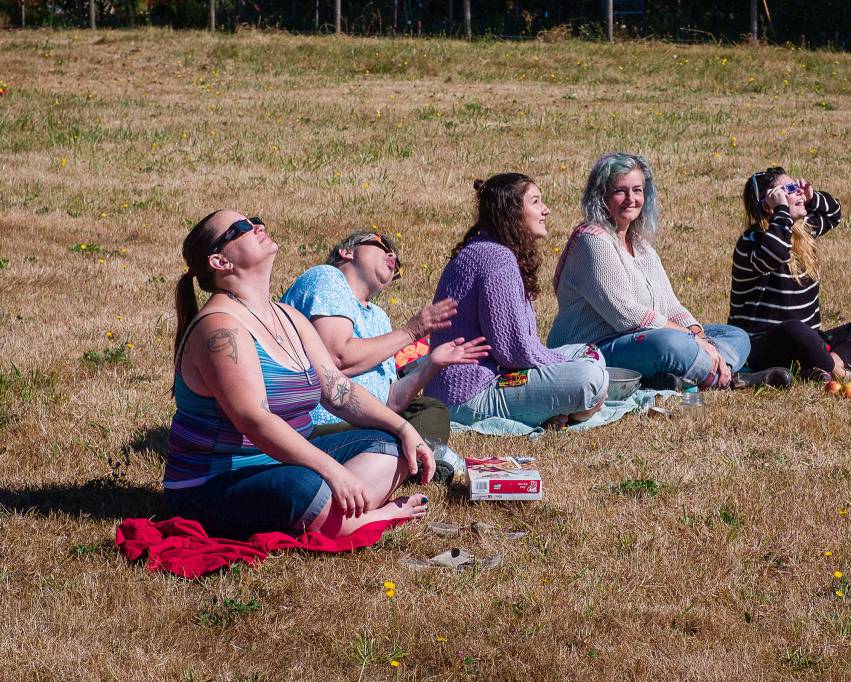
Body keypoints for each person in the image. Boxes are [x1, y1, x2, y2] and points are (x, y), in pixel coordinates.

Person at [166, 210, 435, 540]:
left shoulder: (289, 317)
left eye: (254, 220)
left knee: (391, 447)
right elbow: (255, 420)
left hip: (290, 461)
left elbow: (337, 390)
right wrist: (332, 470)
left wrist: (404, 428)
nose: (258, 227)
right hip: (216, 484)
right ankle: (364, 516)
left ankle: (340, 514)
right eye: (242, 228)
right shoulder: (219, 327)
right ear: (221, 262)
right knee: (304, 486)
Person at [547, 152, 789, 391]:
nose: (631, 199)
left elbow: (670, 305)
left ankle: (678, 376)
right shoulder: (592, 240)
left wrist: (696, 332)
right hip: (595, 348)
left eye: (637, 190)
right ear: (601, 196)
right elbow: (627, 316)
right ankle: (727, 379)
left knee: (735, 335)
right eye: (620, 191)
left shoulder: (640, 243)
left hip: (642, 340)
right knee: (670, 344)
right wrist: (692, 340)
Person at [424, 173, 609, 428]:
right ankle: (579, 409)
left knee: (588, 352)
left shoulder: (489, 249)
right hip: (469, 396)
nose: (546, 210)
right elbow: (514, 351)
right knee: (588, 377)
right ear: (512, 212)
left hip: (477, 382)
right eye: (535, 202)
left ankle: (569, 408)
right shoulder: (496, 259)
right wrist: (567, 366)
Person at [280, 231, 489, 451]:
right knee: (384, 434)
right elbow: (337, 358)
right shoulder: (327, 277)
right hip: (324, 421)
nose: (392, 257)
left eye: (397, 264)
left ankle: (416, 452)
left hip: (370, 419)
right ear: (347, 252)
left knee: (429, 408)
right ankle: (407, 453)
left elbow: (391, 402)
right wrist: (410, 332)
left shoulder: (380, 317)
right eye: (382, 245)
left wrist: (432, 364)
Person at [730, 166, 851, 380]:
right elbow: (775, 253)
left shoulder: (802, 230)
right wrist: (781, 211)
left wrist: (811, 197)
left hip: (809, 342)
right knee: (795, 329)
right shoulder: (752, 241)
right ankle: (841, 373)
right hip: (761, 349)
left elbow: (834, 213)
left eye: (796, 186)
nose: (798, 191)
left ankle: (825, 365)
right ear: (769, 204)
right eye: (789, 189)